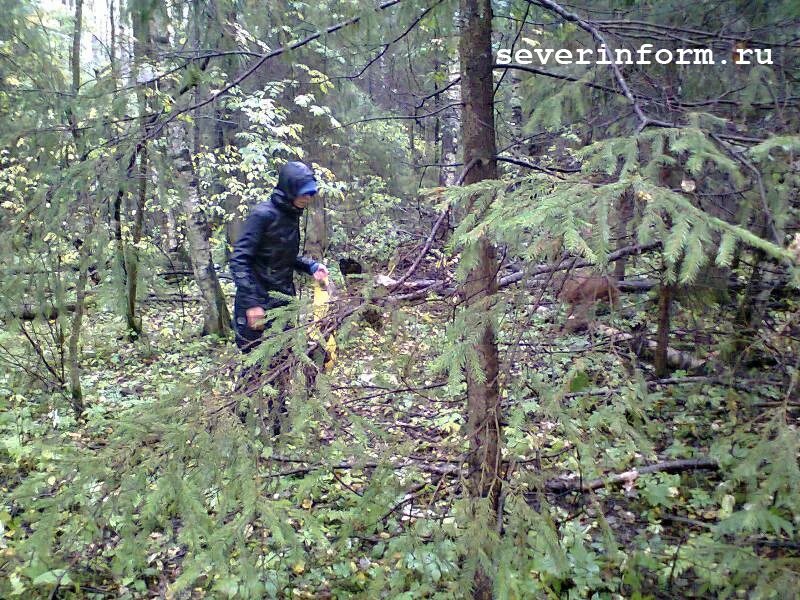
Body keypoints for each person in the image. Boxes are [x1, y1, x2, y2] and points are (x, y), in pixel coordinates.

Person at [230, 161, 329, 430]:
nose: (309, 198)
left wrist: (310, 266)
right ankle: (235, 426)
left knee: (282, 363)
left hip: (283, 304)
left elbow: (280, 257)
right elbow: (239, 261)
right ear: (289, 190)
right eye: (304, 192)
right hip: (256, 307)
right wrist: (252, 304)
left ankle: (277, 422)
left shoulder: (290, 215)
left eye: (311, 193)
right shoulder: (262, 215)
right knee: (253, 367)